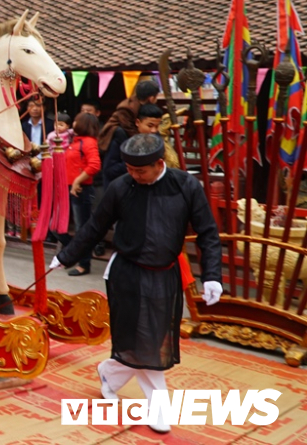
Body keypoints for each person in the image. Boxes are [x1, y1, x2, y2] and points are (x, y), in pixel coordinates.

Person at [51, 134, 223, 434]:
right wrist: (66, 256)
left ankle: (110, 373)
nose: (134, 174)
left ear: (159, 164)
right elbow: (94, 227)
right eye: (129, 168)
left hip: (164, 274)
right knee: (144, 341)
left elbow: (208, 232)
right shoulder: (121, 187)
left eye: (140, 170)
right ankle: (157, 408)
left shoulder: (186, 186)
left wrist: (212, 276)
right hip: (127, 274)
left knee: (150, 339)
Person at [57, 113, 101, 275]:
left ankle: (84, 263)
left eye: (76, 121)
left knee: (82, 229)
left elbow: (95, 165)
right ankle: (73, 253)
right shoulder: (75, 141)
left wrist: (77, 181)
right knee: (56, 226)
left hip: (81, 190)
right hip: (67, 188)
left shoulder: (88, 142)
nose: (73, 123)